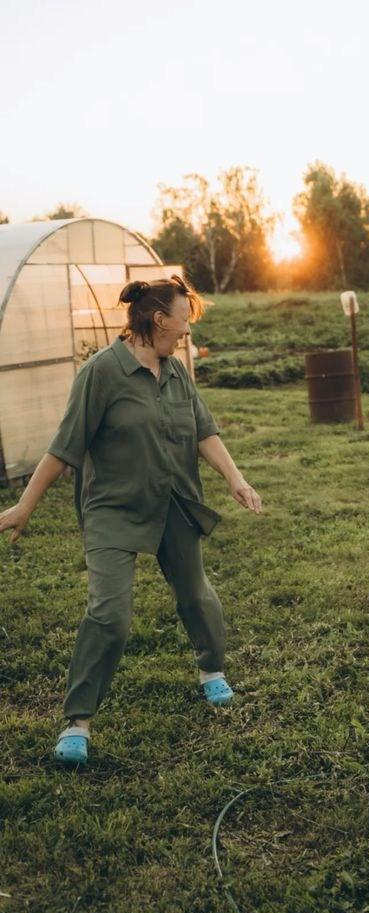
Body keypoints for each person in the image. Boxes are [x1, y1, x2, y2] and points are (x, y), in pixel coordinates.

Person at [0, 275, 262, 766]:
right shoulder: (101, 373)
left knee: (197, 596)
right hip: (113, 508)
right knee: (109, 615)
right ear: (158, 320)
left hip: (173, 501)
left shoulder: (176, 371)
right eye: (183, 321)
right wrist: (25, 506)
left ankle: (211, 669)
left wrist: (236, 478)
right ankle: (77, 721)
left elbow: (203, 431)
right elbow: (64, 447)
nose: (187, 331)